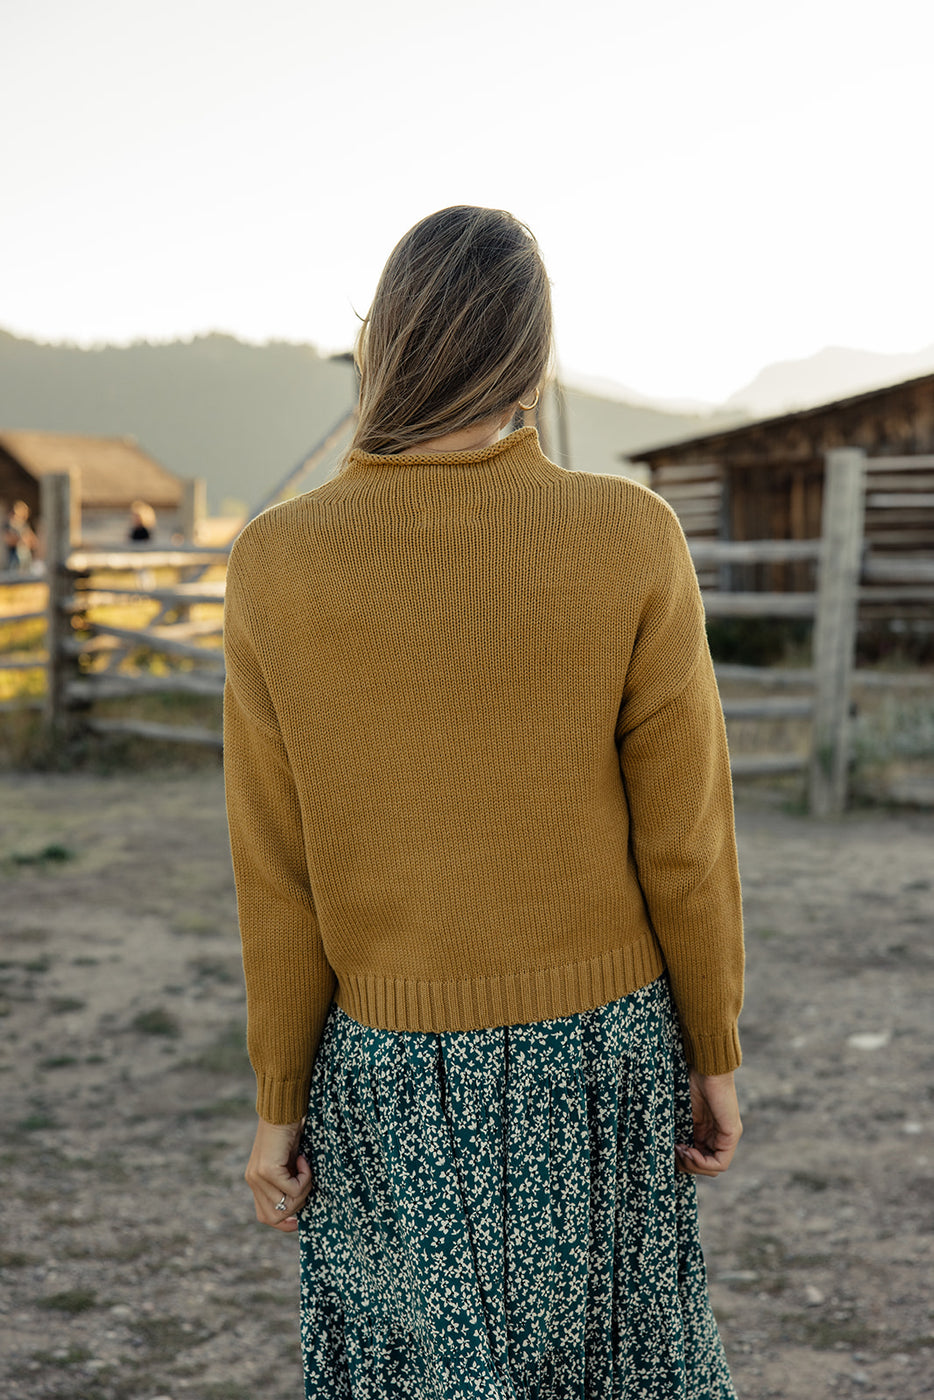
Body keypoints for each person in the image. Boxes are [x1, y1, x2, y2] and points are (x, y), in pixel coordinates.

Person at [223, 206, 744, 1399]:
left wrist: (277, 1102)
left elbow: (276, 869)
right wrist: (711, 1047)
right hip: (601, 1063)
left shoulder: (274, 562)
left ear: (383, 343)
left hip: (390, 1079)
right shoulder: (630, 536)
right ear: (534, 359)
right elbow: (685, 843)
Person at [4, 500, 38, 572]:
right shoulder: (9, 525)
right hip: (14, 559)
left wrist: (26, 540)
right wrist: (21, 540)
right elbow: (8, 540)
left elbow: (33, 541)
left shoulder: (25, 526)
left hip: (25, 557)